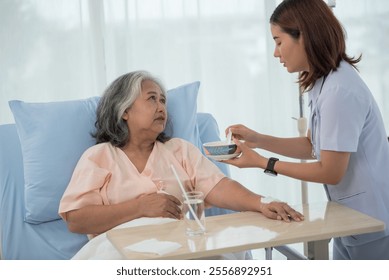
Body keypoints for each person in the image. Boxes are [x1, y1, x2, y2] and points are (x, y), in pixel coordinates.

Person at [58, 70, 304, 254]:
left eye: (163, 100)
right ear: (124, 110)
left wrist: (261, 203)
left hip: (178, 245)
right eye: (151, 99)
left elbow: (218, 186)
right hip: (120, 250)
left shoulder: (178, 150)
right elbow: (76, 219)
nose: (161, 107)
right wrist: (140, 207)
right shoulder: (99, 156)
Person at [224, 0, 389, 260]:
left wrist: (263, 163)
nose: (276, 53)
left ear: (304, 36)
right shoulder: (324, 82)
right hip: (350, 217)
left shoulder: (339, 90)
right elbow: (313, 147)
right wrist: (258, 139)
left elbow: (331, 171)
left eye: (279, 42)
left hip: (372, 221)